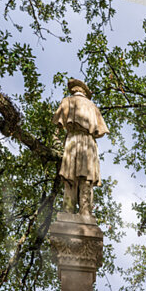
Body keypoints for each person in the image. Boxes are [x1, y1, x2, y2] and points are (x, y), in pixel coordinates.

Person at [52, 79, 108, 219]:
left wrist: (56, 140)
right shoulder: (93, 106)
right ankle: (85, 211)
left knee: (70, 176)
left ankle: (68, 210)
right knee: (86, 178)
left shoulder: (67, 101)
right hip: (89, 143)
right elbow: (100, 131)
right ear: (84, 92)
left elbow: (57, 127)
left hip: (72, 140)